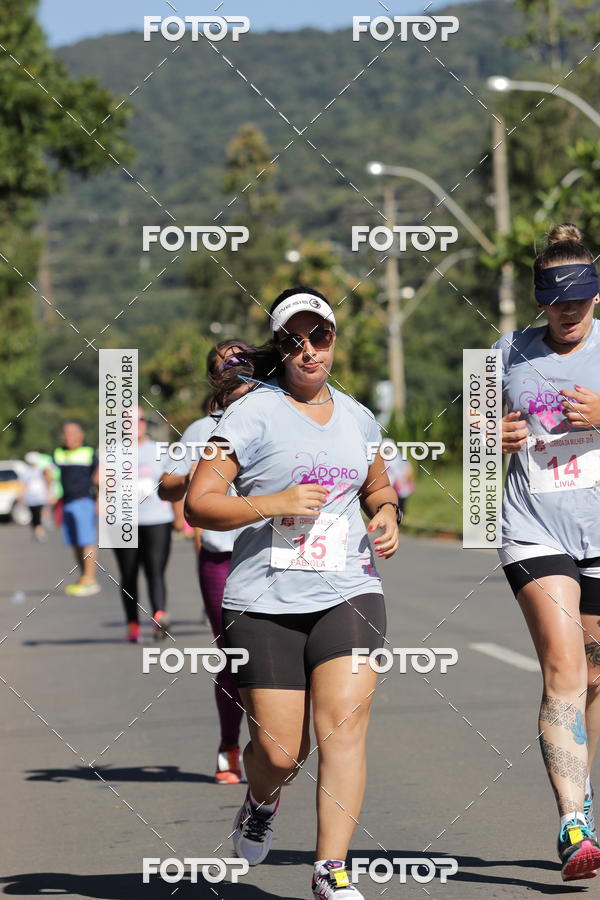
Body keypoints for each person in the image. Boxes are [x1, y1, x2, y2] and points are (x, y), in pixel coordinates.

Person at [185, 287, 400, 900]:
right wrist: (271, 504)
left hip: (350, 589)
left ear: (334, 338)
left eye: (320, 336)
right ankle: (261, 799)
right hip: (264, 601)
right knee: (281, 752)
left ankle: (331, 870)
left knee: (346, 726)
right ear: (280, 347)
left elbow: (379, 489)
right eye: (294, 340)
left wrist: (386, 515)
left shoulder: (358, 416)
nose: (309, 350)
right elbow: (200, 503)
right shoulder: (251, 413)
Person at [497, 223, 600, 881]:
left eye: (581, 295)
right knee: (565, 665)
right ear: (539, 298)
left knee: (595, 674)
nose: (569, 309)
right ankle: (573, 823)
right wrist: (492, 434)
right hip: (533, 527)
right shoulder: (506, 353)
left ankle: (586, 805)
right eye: (557, 297)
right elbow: (476, 429)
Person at [160, 340, 252, 785]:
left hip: (276, 554)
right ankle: (230, 746)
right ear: (214, 376)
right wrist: (192, 475)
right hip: (222, 557)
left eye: (243, 360)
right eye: (224, 363)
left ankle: (274, 744)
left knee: (283, 656)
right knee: (235, 656)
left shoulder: (277, 417)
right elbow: (165, 488)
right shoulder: (201, 429)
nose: (235, 368)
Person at [113, 408, 177, 643]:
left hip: (157, 519)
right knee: (129, 574)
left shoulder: (159, 451)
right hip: (124, 521)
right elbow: (101, 483)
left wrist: (181, 517)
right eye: (129, 421)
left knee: (155, 570)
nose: (135, 425)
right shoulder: (113, 453)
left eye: (139, 420)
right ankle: (132, 624)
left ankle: (159, 614)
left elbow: (173, 483)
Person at [48, 421, 100, 596]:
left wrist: (101, 499)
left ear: (80, 435)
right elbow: (51, 474)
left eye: (71, 433)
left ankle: (90, 579)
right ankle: (83, 576)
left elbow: (100, 476)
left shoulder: (89, 453)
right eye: (65, 433)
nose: (67, 437)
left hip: (84, 501)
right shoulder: (59, 453)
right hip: (66, 502)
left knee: (86, 541)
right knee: (75, 542)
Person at [379, 439, 415, 519]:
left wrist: (403, 479)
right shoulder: (381, 460)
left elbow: (408, 470)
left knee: (400, 507)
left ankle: (400, 520)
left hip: (400, 488)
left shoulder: (399, 459)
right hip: (388, 488)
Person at [21, 452, 50, 541]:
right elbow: (23, 484)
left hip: (40, 496)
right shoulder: (26, 471)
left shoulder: (41, 470)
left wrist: (48, 493)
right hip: (30, 497)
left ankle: (40, 531)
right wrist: (21, 495)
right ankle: (37, 530)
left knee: (39, 514)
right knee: (33, 515)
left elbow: (48, 480)